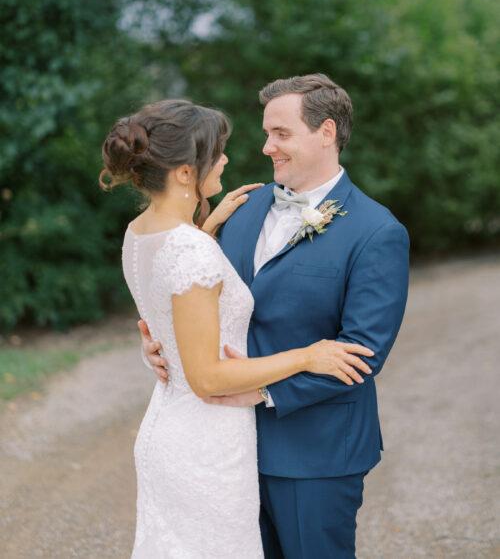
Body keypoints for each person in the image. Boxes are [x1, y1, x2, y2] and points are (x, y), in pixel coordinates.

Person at [142, 75, 410, 558]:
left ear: (326, 132)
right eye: (266, 133)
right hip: (224, 451)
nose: (267, 147)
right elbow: (198, 302)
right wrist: (159, 343)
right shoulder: (241, 208)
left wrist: (262, 390)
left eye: (281, 134)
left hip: (314, 454)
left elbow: (361, 356)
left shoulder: (377, 232)